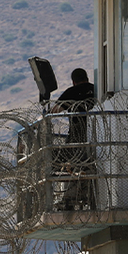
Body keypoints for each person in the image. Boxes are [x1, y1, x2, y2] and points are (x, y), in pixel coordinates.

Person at [49, 68, 97, 209]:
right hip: (96, 133)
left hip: (77, 134)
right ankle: (85, 194)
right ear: (87, 78)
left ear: (74, 81)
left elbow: (55, 111)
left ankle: (71, 197)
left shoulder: (72, 92)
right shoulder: (96, 89)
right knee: (87, 165)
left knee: (71, 163)